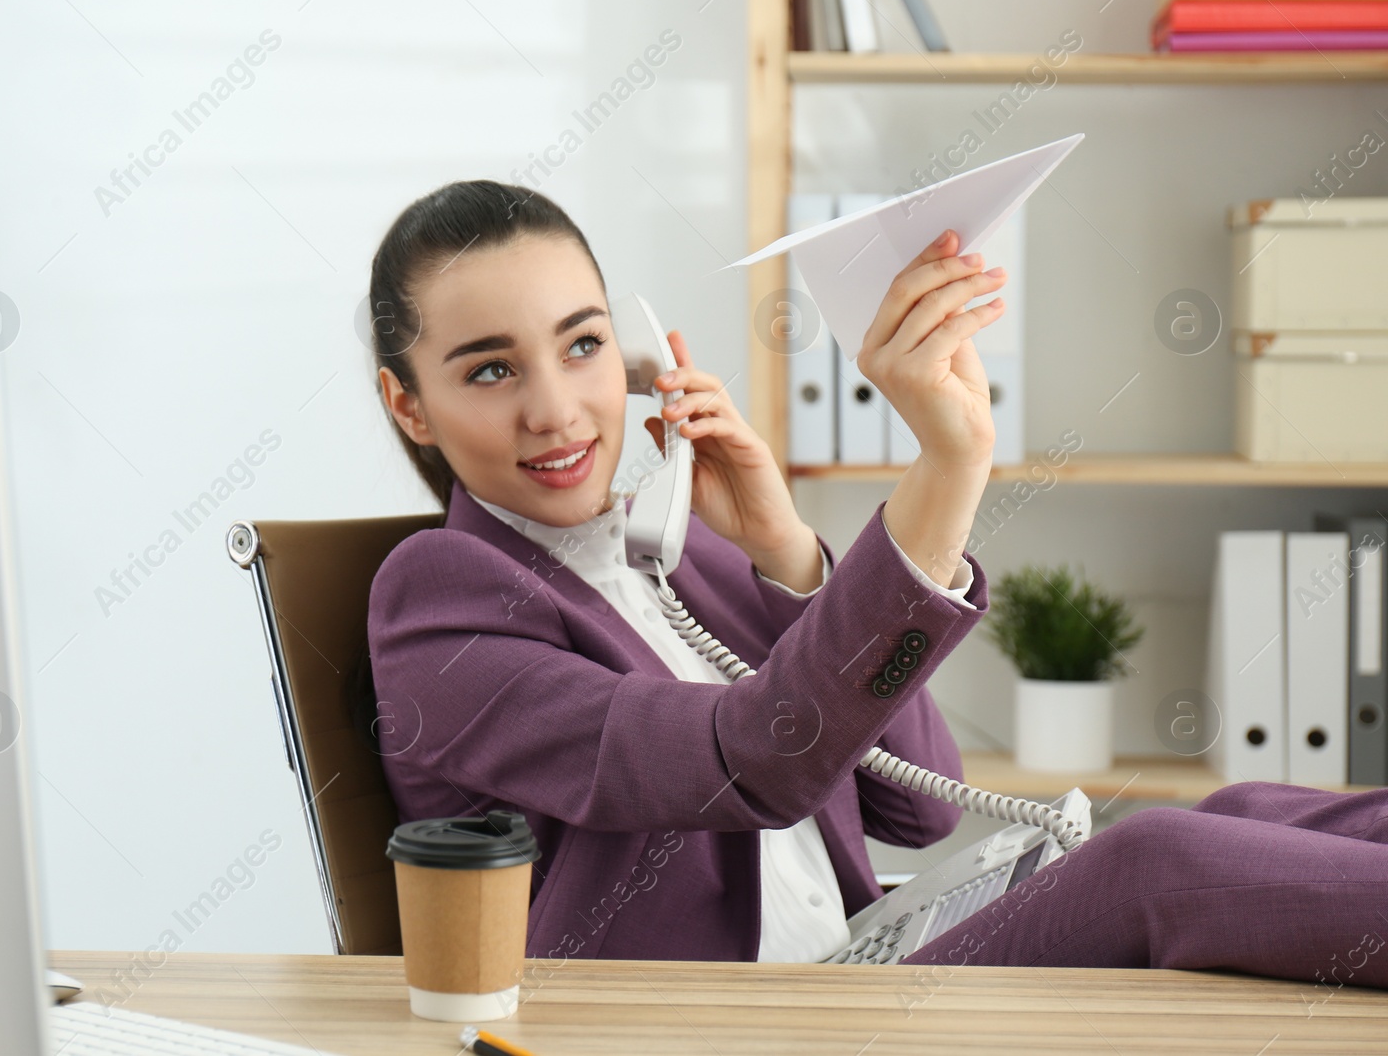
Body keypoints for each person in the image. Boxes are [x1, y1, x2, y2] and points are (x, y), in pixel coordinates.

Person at [358, 179, 1388, 990]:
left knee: (1249, 803)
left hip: (856, 959)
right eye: (490, 369)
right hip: (721, 1019)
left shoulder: (672, 552)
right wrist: (946, 472)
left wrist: (787, 554)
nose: (557, 409)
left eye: (582, 345)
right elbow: (756, 759)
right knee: (1155, 857)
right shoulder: (440, 598)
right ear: (408, 405)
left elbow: (916, 802)